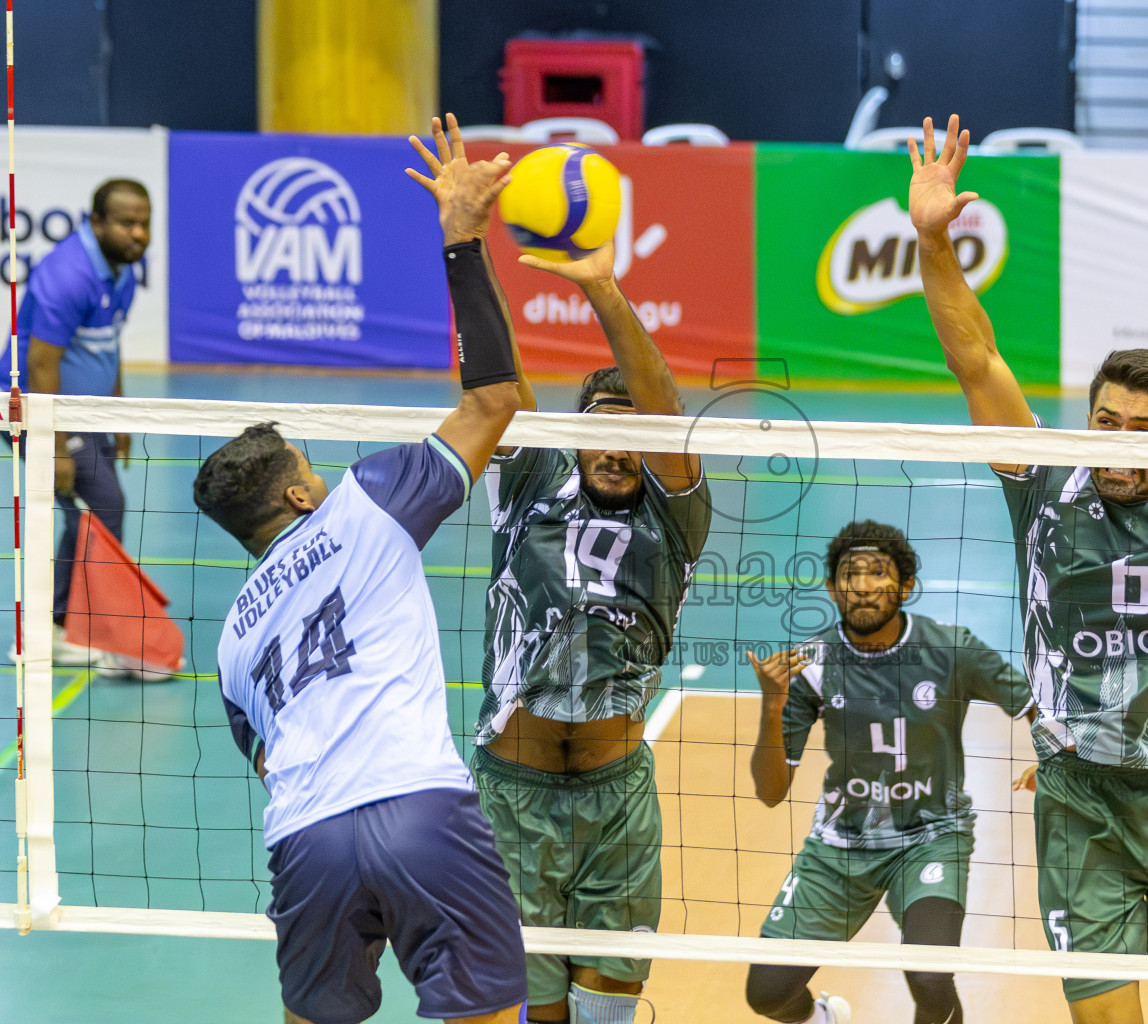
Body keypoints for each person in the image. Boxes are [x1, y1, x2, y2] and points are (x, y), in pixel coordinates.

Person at [909, 115, 1148, 1024]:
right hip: (1077, 795)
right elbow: (978, 358)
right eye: (1107, 420)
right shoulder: (1046, 483)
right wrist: (933, 241)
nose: (1119, 441)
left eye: (1145, 429)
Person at [193, 115, 527, 1024]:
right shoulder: (366, 499)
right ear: (301, 496)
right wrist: (461, 239)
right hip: (417, 803)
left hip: (305, 838)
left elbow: (265, 762)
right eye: (309, 464)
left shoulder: (229, 640)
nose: (322, 473)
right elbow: (495, 400)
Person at [471, 238, 711, 1020]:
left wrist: (604, 291)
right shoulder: (531, 482)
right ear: (571, 438)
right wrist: (462, 240)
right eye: (603, 429)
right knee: (535, 1013)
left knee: (605, 1012)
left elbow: (669, 416)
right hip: (513, 798)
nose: (617, 446)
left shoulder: (676, 518)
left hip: (617, 802)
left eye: (634, 432)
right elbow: (496, 380)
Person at [744, 520, 1034, 1024]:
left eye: (878, 572)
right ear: (833, 589)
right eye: (848, 574)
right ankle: (822, 1019)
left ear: (905, 586)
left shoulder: (950, 649)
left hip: (932, 834)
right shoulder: (811, 664)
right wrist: (772, 708)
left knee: (929, 975)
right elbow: (770, 793)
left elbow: (1037, 702)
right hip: (840, 844)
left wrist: (1051, 758)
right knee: (766, 993)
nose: (862, 585)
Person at [15, 178, 150, 667]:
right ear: (97, 222)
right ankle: (49, 627)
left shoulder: (122, 272)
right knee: (100, 506)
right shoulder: (68, 275)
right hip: (37, 407)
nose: (139, 234)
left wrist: (121, 415)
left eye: (144, 223)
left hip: (84, 410)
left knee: (97, 511)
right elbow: (41, 363)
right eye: (127, 223)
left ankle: (64, 621)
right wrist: (54, 443)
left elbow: (107, 347)